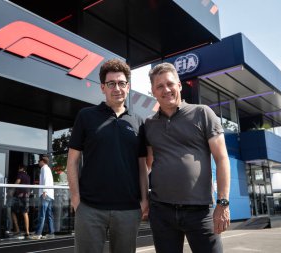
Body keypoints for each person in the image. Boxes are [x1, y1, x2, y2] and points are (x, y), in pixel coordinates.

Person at [145, 62, 231, 253]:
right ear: (152, 91)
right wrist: (144, 199)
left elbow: (222, 158)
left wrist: (223, 203)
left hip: (200, 212)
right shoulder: (149, 124)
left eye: (170, 84)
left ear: (179, 85)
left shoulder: (203, 113)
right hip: (162, 211)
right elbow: (147, 165)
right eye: (159, 86)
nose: (166, 90)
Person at [67, 59, 149, 253]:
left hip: (128, 210)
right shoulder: (86, 116)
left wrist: (144, 199)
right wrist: (76, 198)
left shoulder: (138, 122)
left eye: (121, 83)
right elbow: (72, 161)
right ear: (103, 87)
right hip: (89, 208)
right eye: (111, 83)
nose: (117, 88)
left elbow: (142, 165)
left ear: (128, 87)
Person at [31, 156, 55, 239]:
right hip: (50, 194)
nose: (38, 162)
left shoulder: (44, 168)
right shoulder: (48, 169)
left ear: (42, 161)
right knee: (49, 214)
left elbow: (45, 179)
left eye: (39, 161)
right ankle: (51, 233)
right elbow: (48, 180)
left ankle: (38, 234)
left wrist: (44, 191)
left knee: (42, 214)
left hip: (45, 194)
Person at [11, 165, 31, 238]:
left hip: (19, 196)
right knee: (25, 213)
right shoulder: (28, 176)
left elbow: (17, 182)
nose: (18, 169)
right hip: (26, 196)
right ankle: (27, 231)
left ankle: (17, 229)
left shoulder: (20, 174)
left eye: (19, 168)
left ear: (21, 168)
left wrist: (11, 189)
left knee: (13, 211)